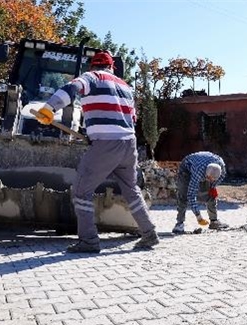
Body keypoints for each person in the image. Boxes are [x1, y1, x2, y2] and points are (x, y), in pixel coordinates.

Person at [34, 51, 159, 253]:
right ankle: (149, 233)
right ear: (112, 67)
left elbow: (70, 88)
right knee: (132, 190)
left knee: (81, 191)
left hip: (105, 144)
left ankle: (89, 241)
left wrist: (49, 108)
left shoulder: (91, 77)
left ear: (93, 66)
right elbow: (132, 119)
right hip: (129, 144)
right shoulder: (125, 87)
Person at [173, 151, 230, 234]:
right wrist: (198, 216)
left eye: (212, 180)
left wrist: (212, 187)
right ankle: (179, 224)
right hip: (186, 169)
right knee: (184, 195)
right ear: (206, 174)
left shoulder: (222, 170)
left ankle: (214, 221)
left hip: (204, 163)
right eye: (208, 178)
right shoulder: (198, 171)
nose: (209, 180)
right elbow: (191, 195)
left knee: (211, 194)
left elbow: (217, 180)